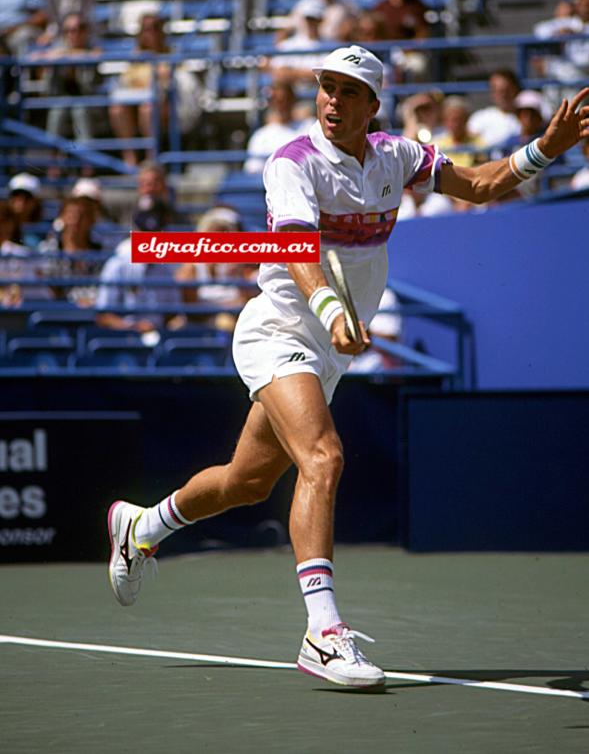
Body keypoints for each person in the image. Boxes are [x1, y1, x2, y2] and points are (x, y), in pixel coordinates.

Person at [106, 44, 589, 689]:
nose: (332, 100)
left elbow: (478, 184)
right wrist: (333, 309)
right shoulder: (292, 163)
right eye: (326, 87)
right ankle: (322, 633)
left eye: (348, 91)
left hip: (329, 348)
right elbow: (297, 248)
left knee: (247, 482)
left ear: (372, 105)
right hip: (279, 331)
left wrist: (546, 148)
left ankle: (142, 524)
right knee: (324, 458)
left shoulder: (398, 156)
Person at [109, 11, 200, 166]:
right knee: (117, 109)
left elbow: (177, 81)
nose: (150, 33)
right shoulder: (135, 58)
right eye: (146, 28)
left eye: (154, 28)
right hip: (136, 102)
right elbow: (126, 81)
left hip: (166, 106)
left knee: (147, 109)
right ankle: (129, 157)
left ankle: (151, 157)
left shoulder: (171, 54)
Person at [40, 12, 102, 142]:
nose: (74, 34)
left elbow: (91, 86)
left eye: (79, 29)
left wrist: (77, 56)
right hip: (61, 99)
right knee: (57, 111)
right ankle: (53, 158)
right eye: (69, 30)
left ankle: (87, 159)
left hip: (88, 99)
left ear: (86, 31)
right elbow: (35, 59)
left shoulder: (94, 50)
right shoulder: (57, 51)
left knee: (80, 110)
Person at [244, 81, 314, 174]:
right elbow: (253, 171)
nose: (282, 105)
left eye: (286, 99)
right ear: (270, 103)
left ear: (293, 100)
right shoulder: (261, 136)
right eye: (276, 100)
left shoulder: (310, 126)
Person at [467, 68, 521, 148]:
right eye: (497, 90)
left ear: (515, 89)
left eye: (506, 90)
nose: (503, 95)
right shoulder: (479, 118)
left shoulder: (529, 118)